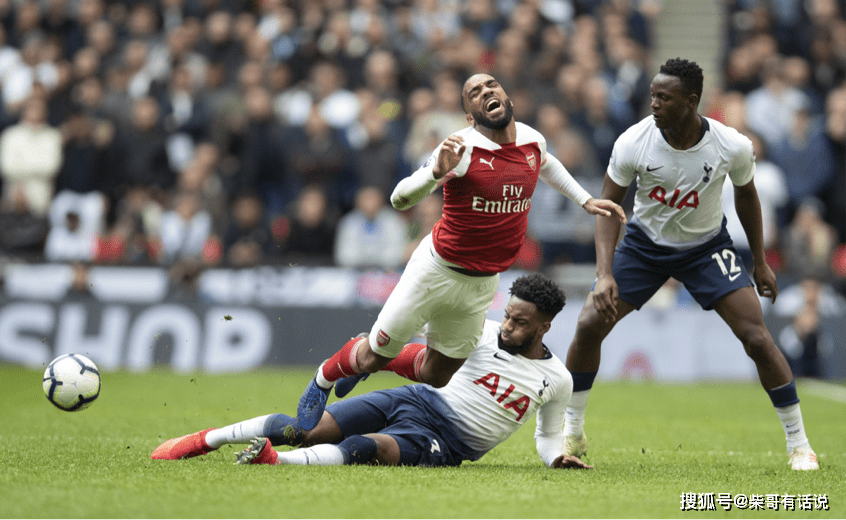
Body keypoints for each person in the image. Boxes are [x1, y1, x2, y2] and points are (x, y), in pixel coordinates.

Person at [295, 73, 626, 431]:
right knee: (372, 354)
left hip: (481, 283)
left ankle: (369, 356)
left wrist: (585, 200)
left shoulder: (533, 140)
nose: (486, 91)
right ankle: (324, 378)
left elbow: (546, 163)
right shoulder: (460, 149)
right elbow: (399, 198)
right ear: (470, 116)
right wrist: (434, 173)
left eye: (491, 86)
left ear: (506, 97)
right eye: (474, 93)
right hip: (436, 271)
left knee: (437, 375)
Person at [561, 58, 819, 471]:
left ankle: (800, 444)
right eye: (652, 96)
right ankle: (572, 432)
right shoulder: (633, 141)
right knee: (590, 323)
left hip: (706, 248)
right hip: (644, 247)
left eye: (664, 98)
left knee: (756, 338)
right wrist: (604, 274)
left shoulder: (731, 144)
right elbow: (608, 208)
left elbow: (747, 195)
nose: (654, 104)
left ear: (691, 101)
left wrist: (760, 262)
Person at [152, 274, 592, 470]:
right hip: (414, 399)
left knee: (369, 447)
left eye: (520, 322)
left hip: (449, 441)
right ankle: (205, 440)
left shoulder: (558, 379)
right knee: (304, 428)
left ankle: (274, 462)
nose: (508, 326)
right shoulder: (480, 331)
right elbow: (416, 340)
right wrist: (374, 348)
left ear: (545, 327)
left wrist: (556, 457)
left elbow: (547, 435)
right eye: (508, 315)